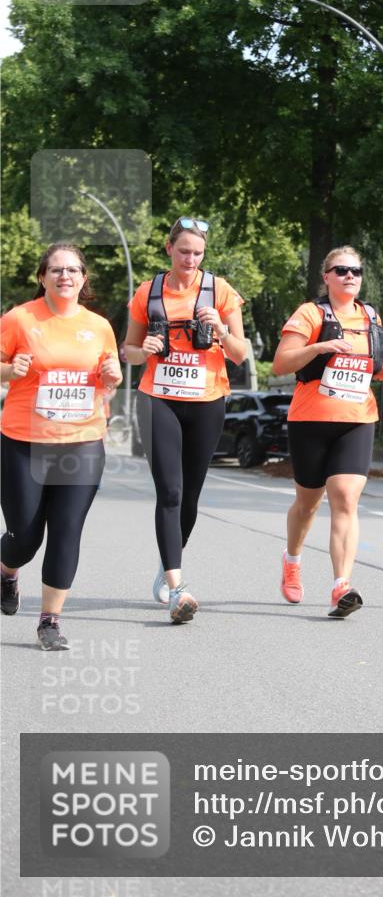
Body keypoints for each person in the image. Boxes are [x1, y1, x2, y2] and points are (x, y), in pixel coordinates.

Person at [272, 246, 383, 618]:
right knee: (307, 504)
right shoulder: (310, 313)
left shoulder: (370, 315)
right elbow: (281, 363)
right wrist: (320, 345)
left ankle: (341, 587)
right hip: (311, 419)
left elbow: (369, 365)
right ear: (327, 276)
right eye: (342, 270)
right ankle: (292, 559)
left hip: (357, 418)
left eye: (356, 271)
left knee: (346, 498)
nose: (350, 276)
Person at [0, 243, 122, 650]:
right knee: (24, 537)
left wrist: (112, 376)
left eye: (72, 270)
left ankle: (50, 621)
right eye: (56, 270)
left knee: (66, 530)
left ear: (83, 278)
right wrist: (8, 370)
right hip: (24, 441)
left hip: (82, 442)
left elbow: (110, 377)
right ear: (42, 277)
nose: (64, 276)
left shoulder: (99, 326)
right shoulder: (19, 319)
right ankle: (7, 571)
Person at [124, 216, 246, 624]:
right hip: (158, 398)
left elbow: (241, 353)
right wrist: (144, 348)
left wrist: (221, 331)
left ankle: (167, 563)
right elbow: (128, 350)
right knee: (170, 492)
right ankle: (178, 586)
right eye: (183, 251)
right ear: (169, 249)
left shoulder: (220, 291)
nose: (190, 259)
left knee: (190, 496)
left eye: (197, 253)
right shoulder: (148, 291)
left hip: (207, 400)